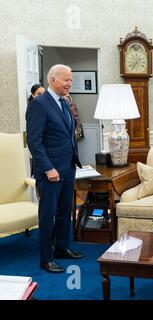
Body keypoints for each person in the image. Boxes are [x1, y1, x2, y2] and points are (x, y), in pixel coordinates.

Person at [26, 64, 84, 273]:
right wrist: (48, 168)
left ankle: (61, 247)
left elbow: (68, 135)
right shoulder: (39, 105)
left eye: (71, 79)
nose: (70, 83)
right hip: (50, 171)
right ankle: (46, 258)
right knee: (47, 214)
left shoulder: (64, 102)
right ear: (52, 80)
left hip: (68, 168)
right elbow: (34, 141)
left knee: (64, 212)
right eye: (66, 79)